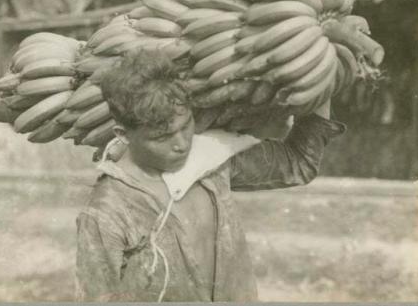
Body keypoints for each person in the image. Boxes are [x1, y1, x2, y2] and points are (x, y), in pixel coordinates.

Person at [75, 52, 345, 302]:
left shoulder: (210, 161)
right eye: (162, 137)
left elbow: (298, 163)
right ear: (123, 134)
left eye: (186, 126)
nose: (182, 143)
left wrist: (320, 71)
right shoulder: (107, 212)